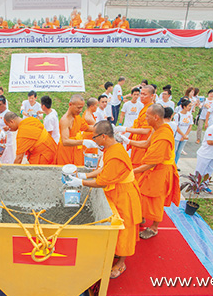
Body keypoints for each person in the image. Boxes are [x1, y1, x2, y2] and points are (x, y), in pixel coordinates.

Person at [66, 121, 142, 279]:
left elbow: (102, 182)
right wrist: (84, 175)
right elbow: (103, 169)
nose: (94, 140)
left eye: (95, 137)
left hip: (124, 194)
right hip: (117, 192)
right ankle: (115, 251)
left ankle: (121, 263)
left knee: (124, 228)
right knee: (116, 227)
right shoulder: (111, 148)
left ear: (104, 136)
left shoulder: (116, 154)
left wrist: (80, 183)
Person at [124, 104, 180, 239]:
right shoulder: (157, 129)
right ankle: (142, 216)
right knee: (142, 192)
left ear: (156, 117)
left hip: (161, 171)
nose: (145, 118)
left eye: (147, 116)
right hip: (153, 169)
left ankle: (154, 227)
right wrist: (127, 140)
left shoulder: (165, 134)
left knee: (156, 198)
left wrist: (131, 172)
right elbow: (146, 144)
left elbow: (152, 163)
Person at [56, 95, 97, 165]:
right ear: (70, 104)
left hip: (76, 150)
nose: (80, 110)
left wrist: (104, 127)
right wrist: (83, 142)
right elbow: (65, 141)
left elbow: (86, 128)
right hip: (66, 153)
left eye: (82, 108)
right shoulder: (65, 120)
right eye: (78, 108)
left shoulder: (77, 117)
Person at [125, 85, 155, 168]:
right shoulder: (144, 108)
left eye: (144, 94)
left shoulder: (151, 110)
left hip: (143, 144)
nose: (141, 96)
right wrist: (125, 130)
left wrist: (126, 129)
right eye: (141, 94)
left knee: (138, 167)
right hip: (137, 143)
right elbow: (137, 124)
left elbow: (146, 130)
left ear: (152, 96)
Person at [0, 95, 15, 164]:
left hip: (7, 142)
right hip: (0, 142)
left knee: (8, 161)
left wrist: (9, 128)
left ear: (5, 104)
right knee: (2, 159)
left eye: (0, 104)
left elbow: (15, 126)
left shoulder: (8, 114)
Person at [172, 99, 193, 165]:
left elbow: (190, 126)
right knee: (174, 151)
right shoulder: (178, 115)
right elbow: (176, 126)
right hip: (177, 136)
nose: (190, 108)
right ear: (184, 106)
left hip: (185, 136)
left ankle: (175, 164)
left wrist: (185, 135)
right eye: (189, 106)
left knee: (179, 151)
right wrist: (182, 135)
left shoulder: (190, 115)